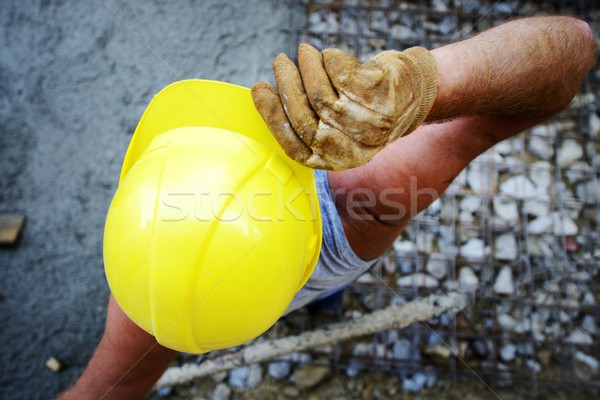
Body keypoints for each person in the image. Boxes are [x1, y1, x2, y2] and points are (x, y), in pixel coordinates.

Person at [60, 16, 595, 399]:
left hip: (264, 291)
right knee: (330, 285)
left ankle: (315, 296)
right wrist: (420, 87)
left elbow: (113, 387)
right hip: (327, 256)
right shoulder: (367, 192)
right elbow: (575, 44)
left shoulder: (147, 290)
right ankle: (328, 295)